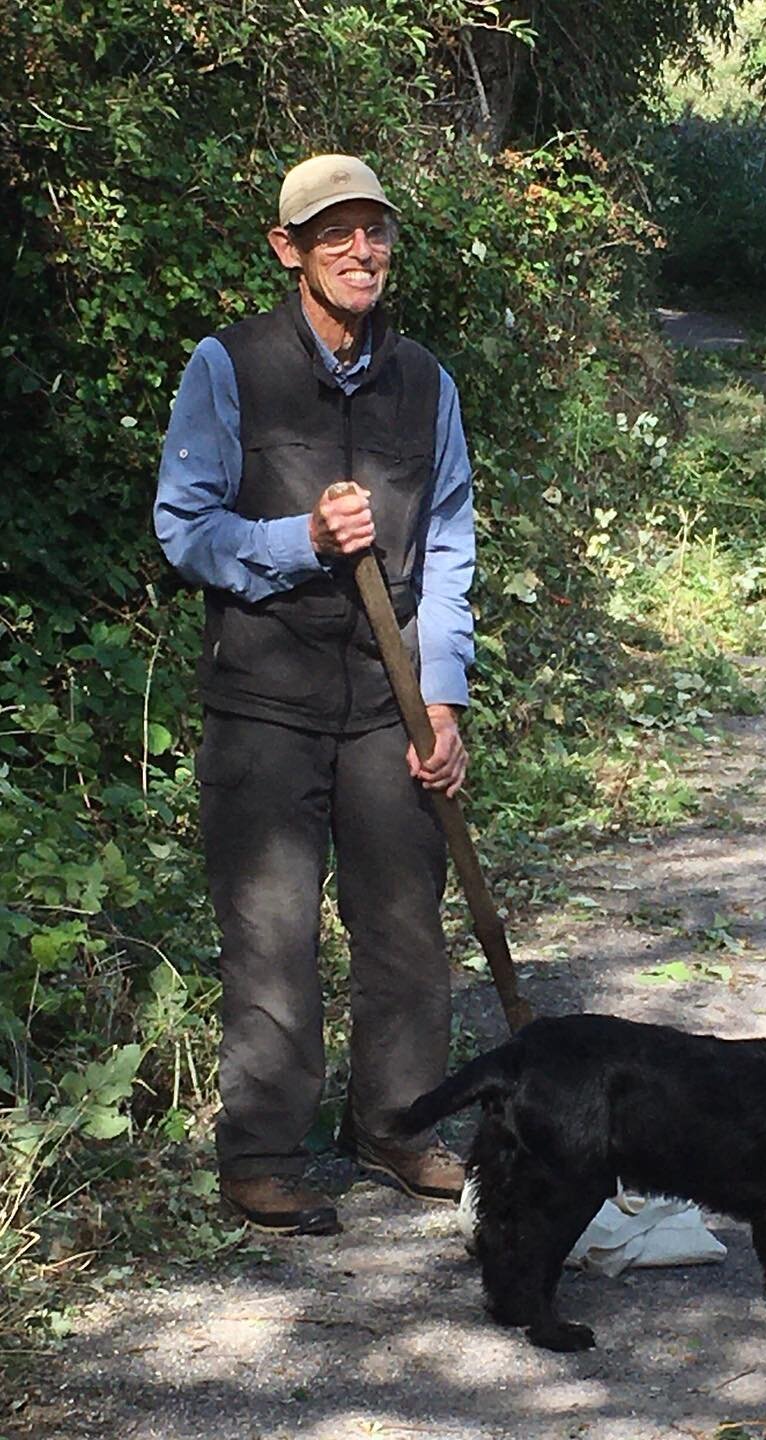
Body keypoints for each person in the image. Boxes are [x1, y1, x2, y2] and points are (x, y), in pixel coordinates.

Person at [155, 154, 476, 1235]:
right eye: (334, 234)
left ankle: (393, 1126)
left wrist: (445, 701)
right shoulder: (229, 365)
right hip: (263, 699)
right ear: (288, 249)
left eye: (375, 232)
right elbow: (185, 530)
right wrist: (300, 540)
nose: (361, 251)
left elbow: (449, 549)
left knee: (404, 924)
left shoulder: (427, 383)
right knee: (270, 930)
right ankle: (260, 1153)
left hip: (387, 698)